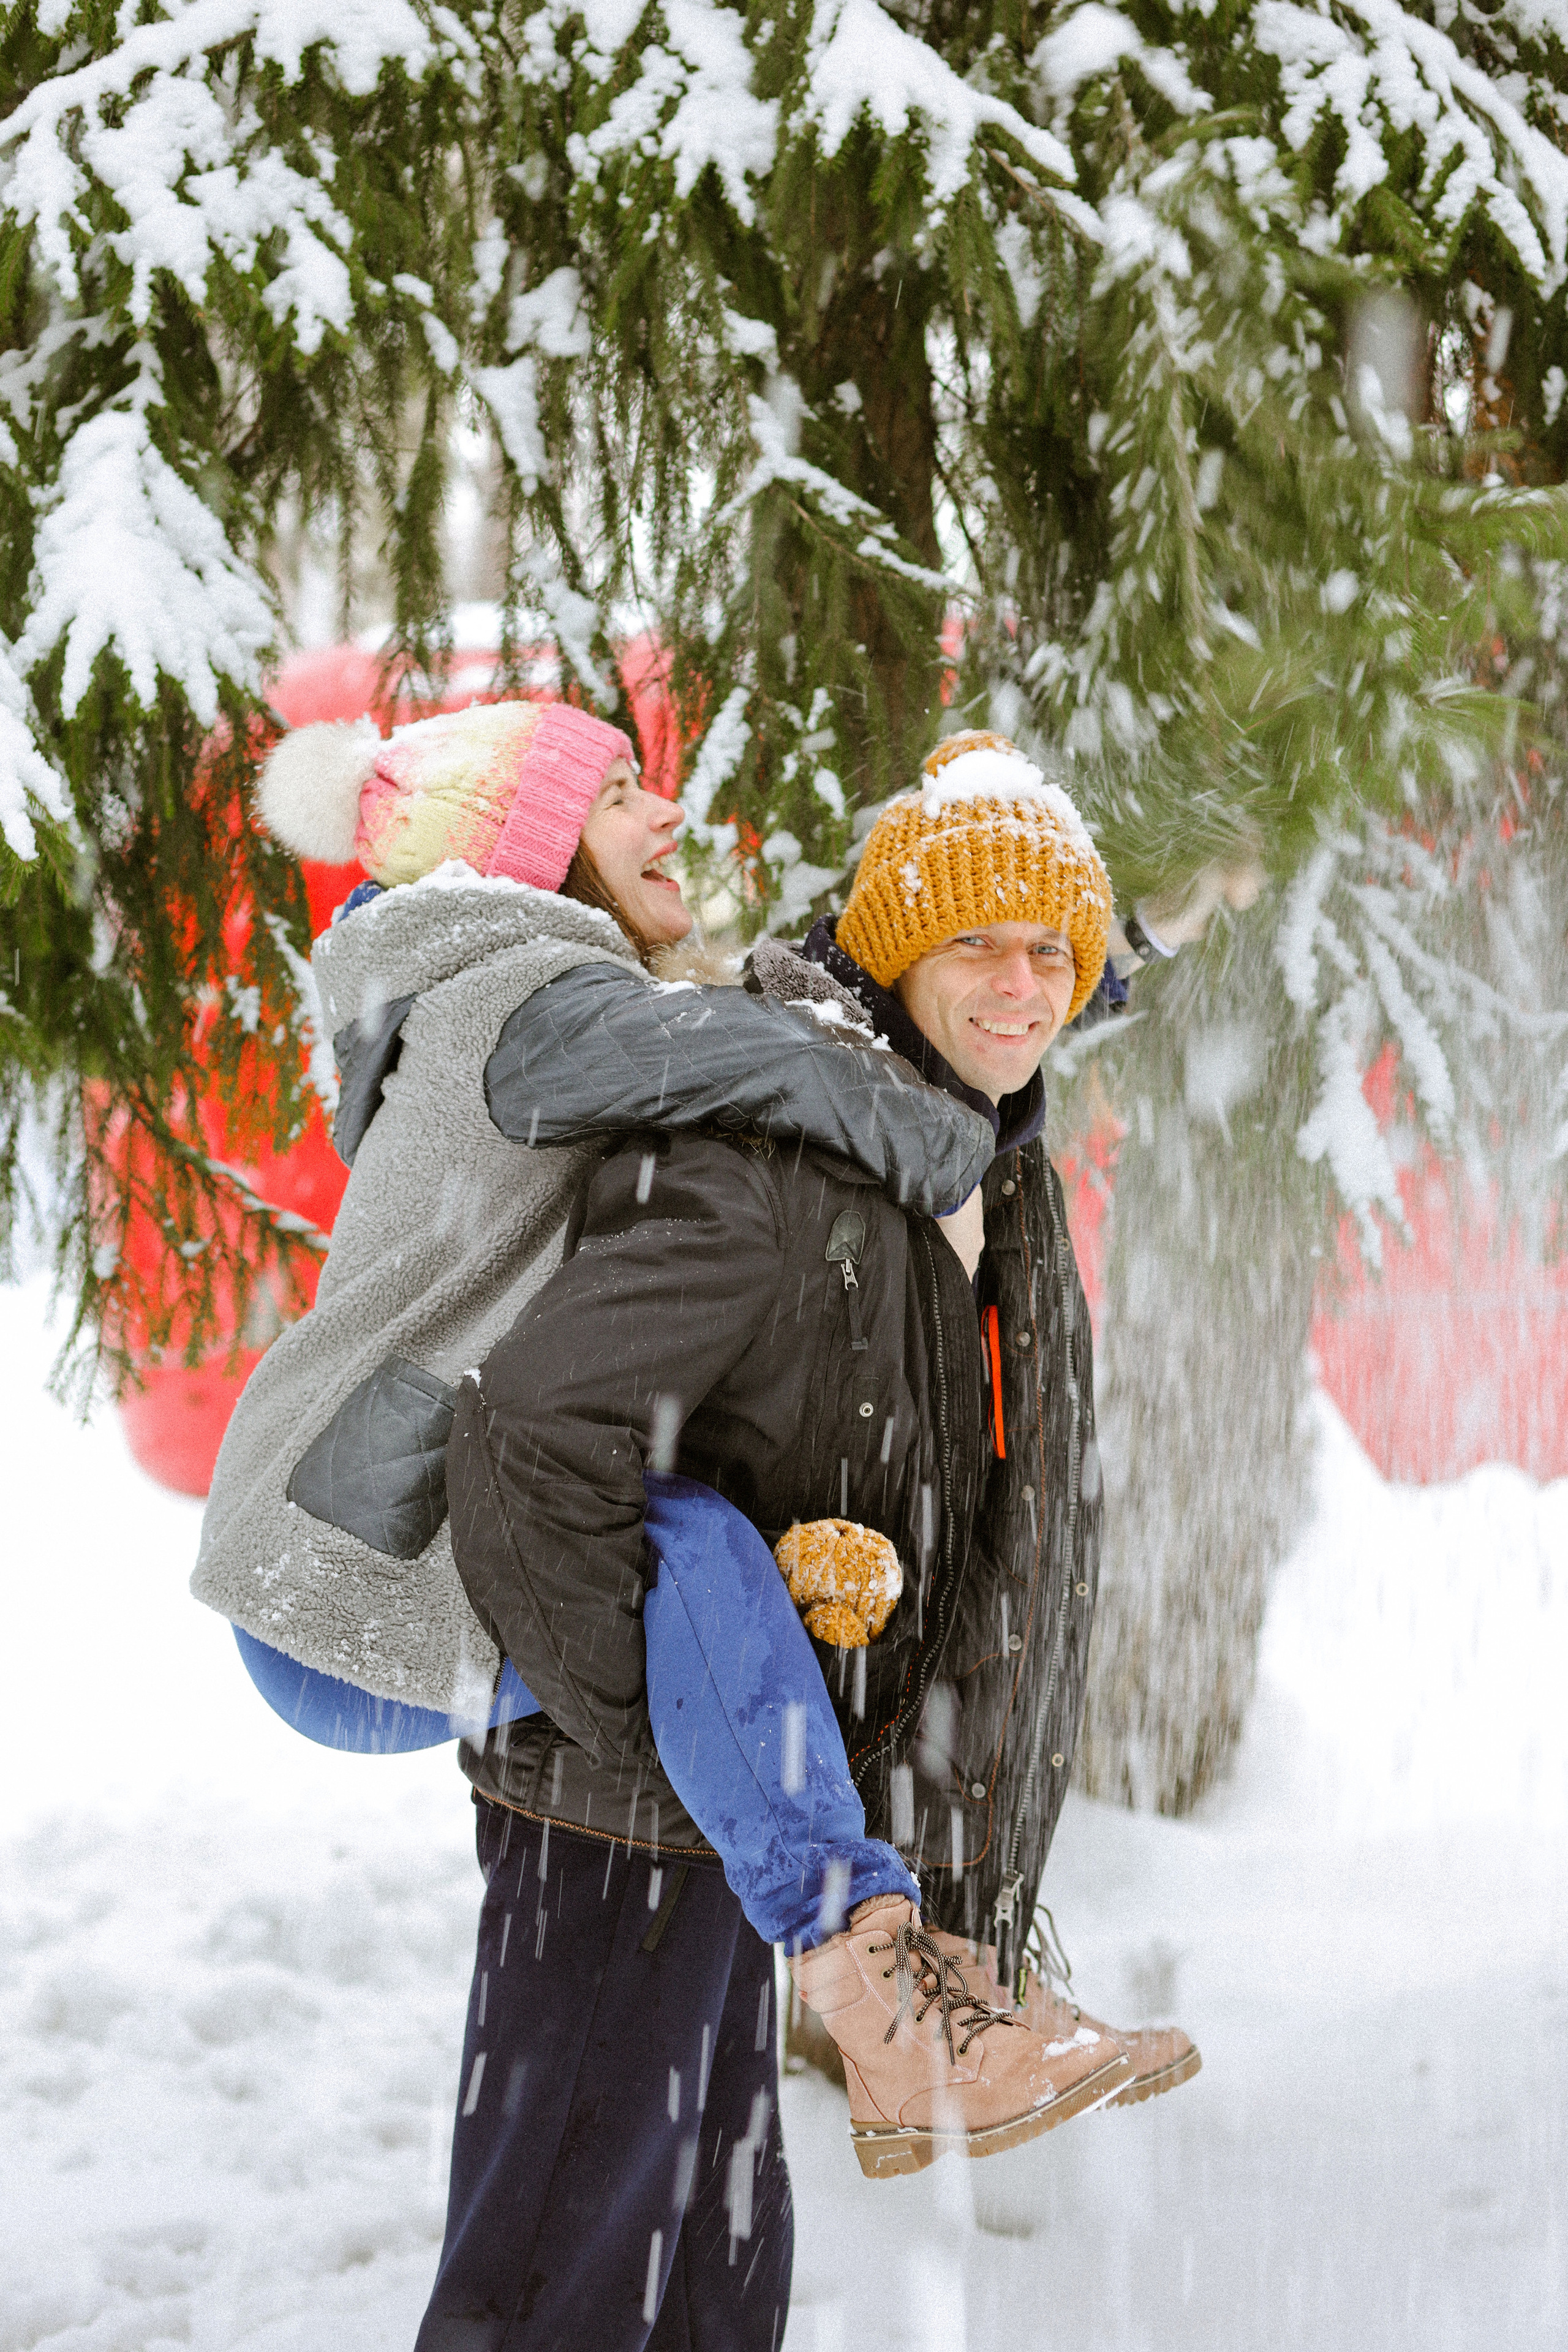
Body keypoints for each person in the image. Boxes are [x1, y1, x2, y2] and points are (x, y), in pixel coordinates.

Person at [423, 731, 1201, 2350]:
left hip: (734, 1830)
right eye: (974, 941)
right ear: (894, 953)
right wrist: (665, 1729)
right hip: (627, 1823)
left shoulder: (954, 1158)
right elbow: (528, 1431)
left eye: (1052, 947)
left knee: (705, 2281)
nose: (1022, 981)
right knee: (569, 2285)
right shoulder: (785, 1151)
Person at [192, 696, 992, 1732]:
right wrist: (957, 1154)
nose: (667, 813)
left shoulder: (510, 1001)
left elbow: (760, 1017)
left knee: (716, 1568)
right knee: (714, 1563)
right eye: (618, 796)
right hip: (362, 1583)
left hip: (323, 1554)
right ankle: (832, 1892)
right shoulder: (524, 1008)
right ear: (535, 855)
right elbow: (775, 1052)